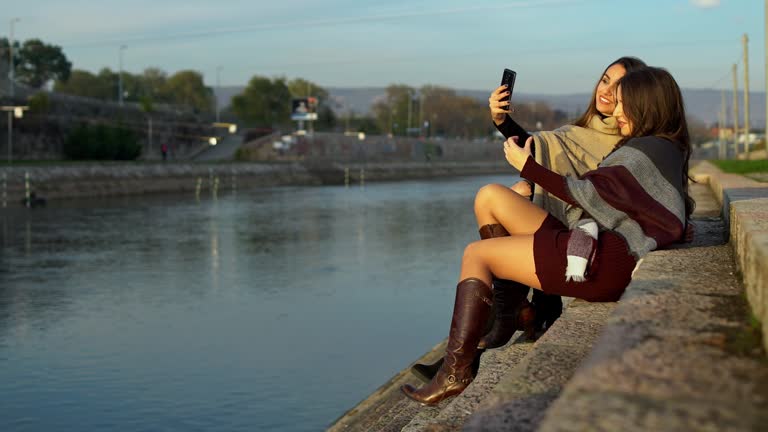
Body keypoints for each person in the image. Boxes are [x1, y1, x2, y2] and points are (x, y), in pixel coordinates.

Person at [401, 66, 694, 406]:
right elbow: (653, 204)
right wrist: (504, 126)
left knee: (477, 254)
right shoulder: (659, 147)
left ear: (646, 104)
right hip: (595, 242)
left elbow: (591, 194)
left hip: (602, 259)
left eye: (624, 102)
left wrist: (530, 169)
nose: (616, 110)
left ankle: (456, 372)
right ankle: (509, 315)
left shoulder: (645, 149)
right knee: (492, 195)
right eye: (610, 90)